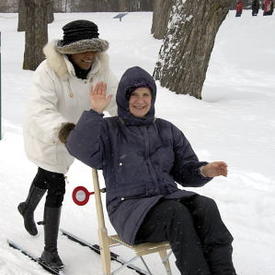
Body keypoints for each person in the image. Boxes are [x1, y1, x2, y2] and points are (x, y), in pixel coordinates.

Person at [63, 66, 237, 275]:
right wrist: (95, 112)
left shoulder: (166, 129)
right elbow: (78, 147)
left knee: (206, 206)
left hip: (168, 200)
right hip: (130, 210)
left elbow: (184, 171)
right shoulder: (110, 129)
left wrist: (204, 171)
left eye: (146, 94)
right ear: (123, 98)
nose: (140, 100)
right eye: (134, 95)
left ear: (152, 98)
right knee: (178, 214)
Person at [18, 20, 118, 269]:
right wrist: (64, 131)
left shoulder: (100, 68)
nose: (90, 54)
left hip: (78, 134)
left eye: (93, 48)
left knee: (48, 174)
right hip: (48, 133)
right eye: (83, 49)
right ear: (69, 50)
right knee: (56, 184)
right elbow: (40, 109)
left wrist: (129, 124)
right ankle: (49, 251)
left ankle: (27, 207)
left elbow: (114, 99)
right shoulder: (48, 70)